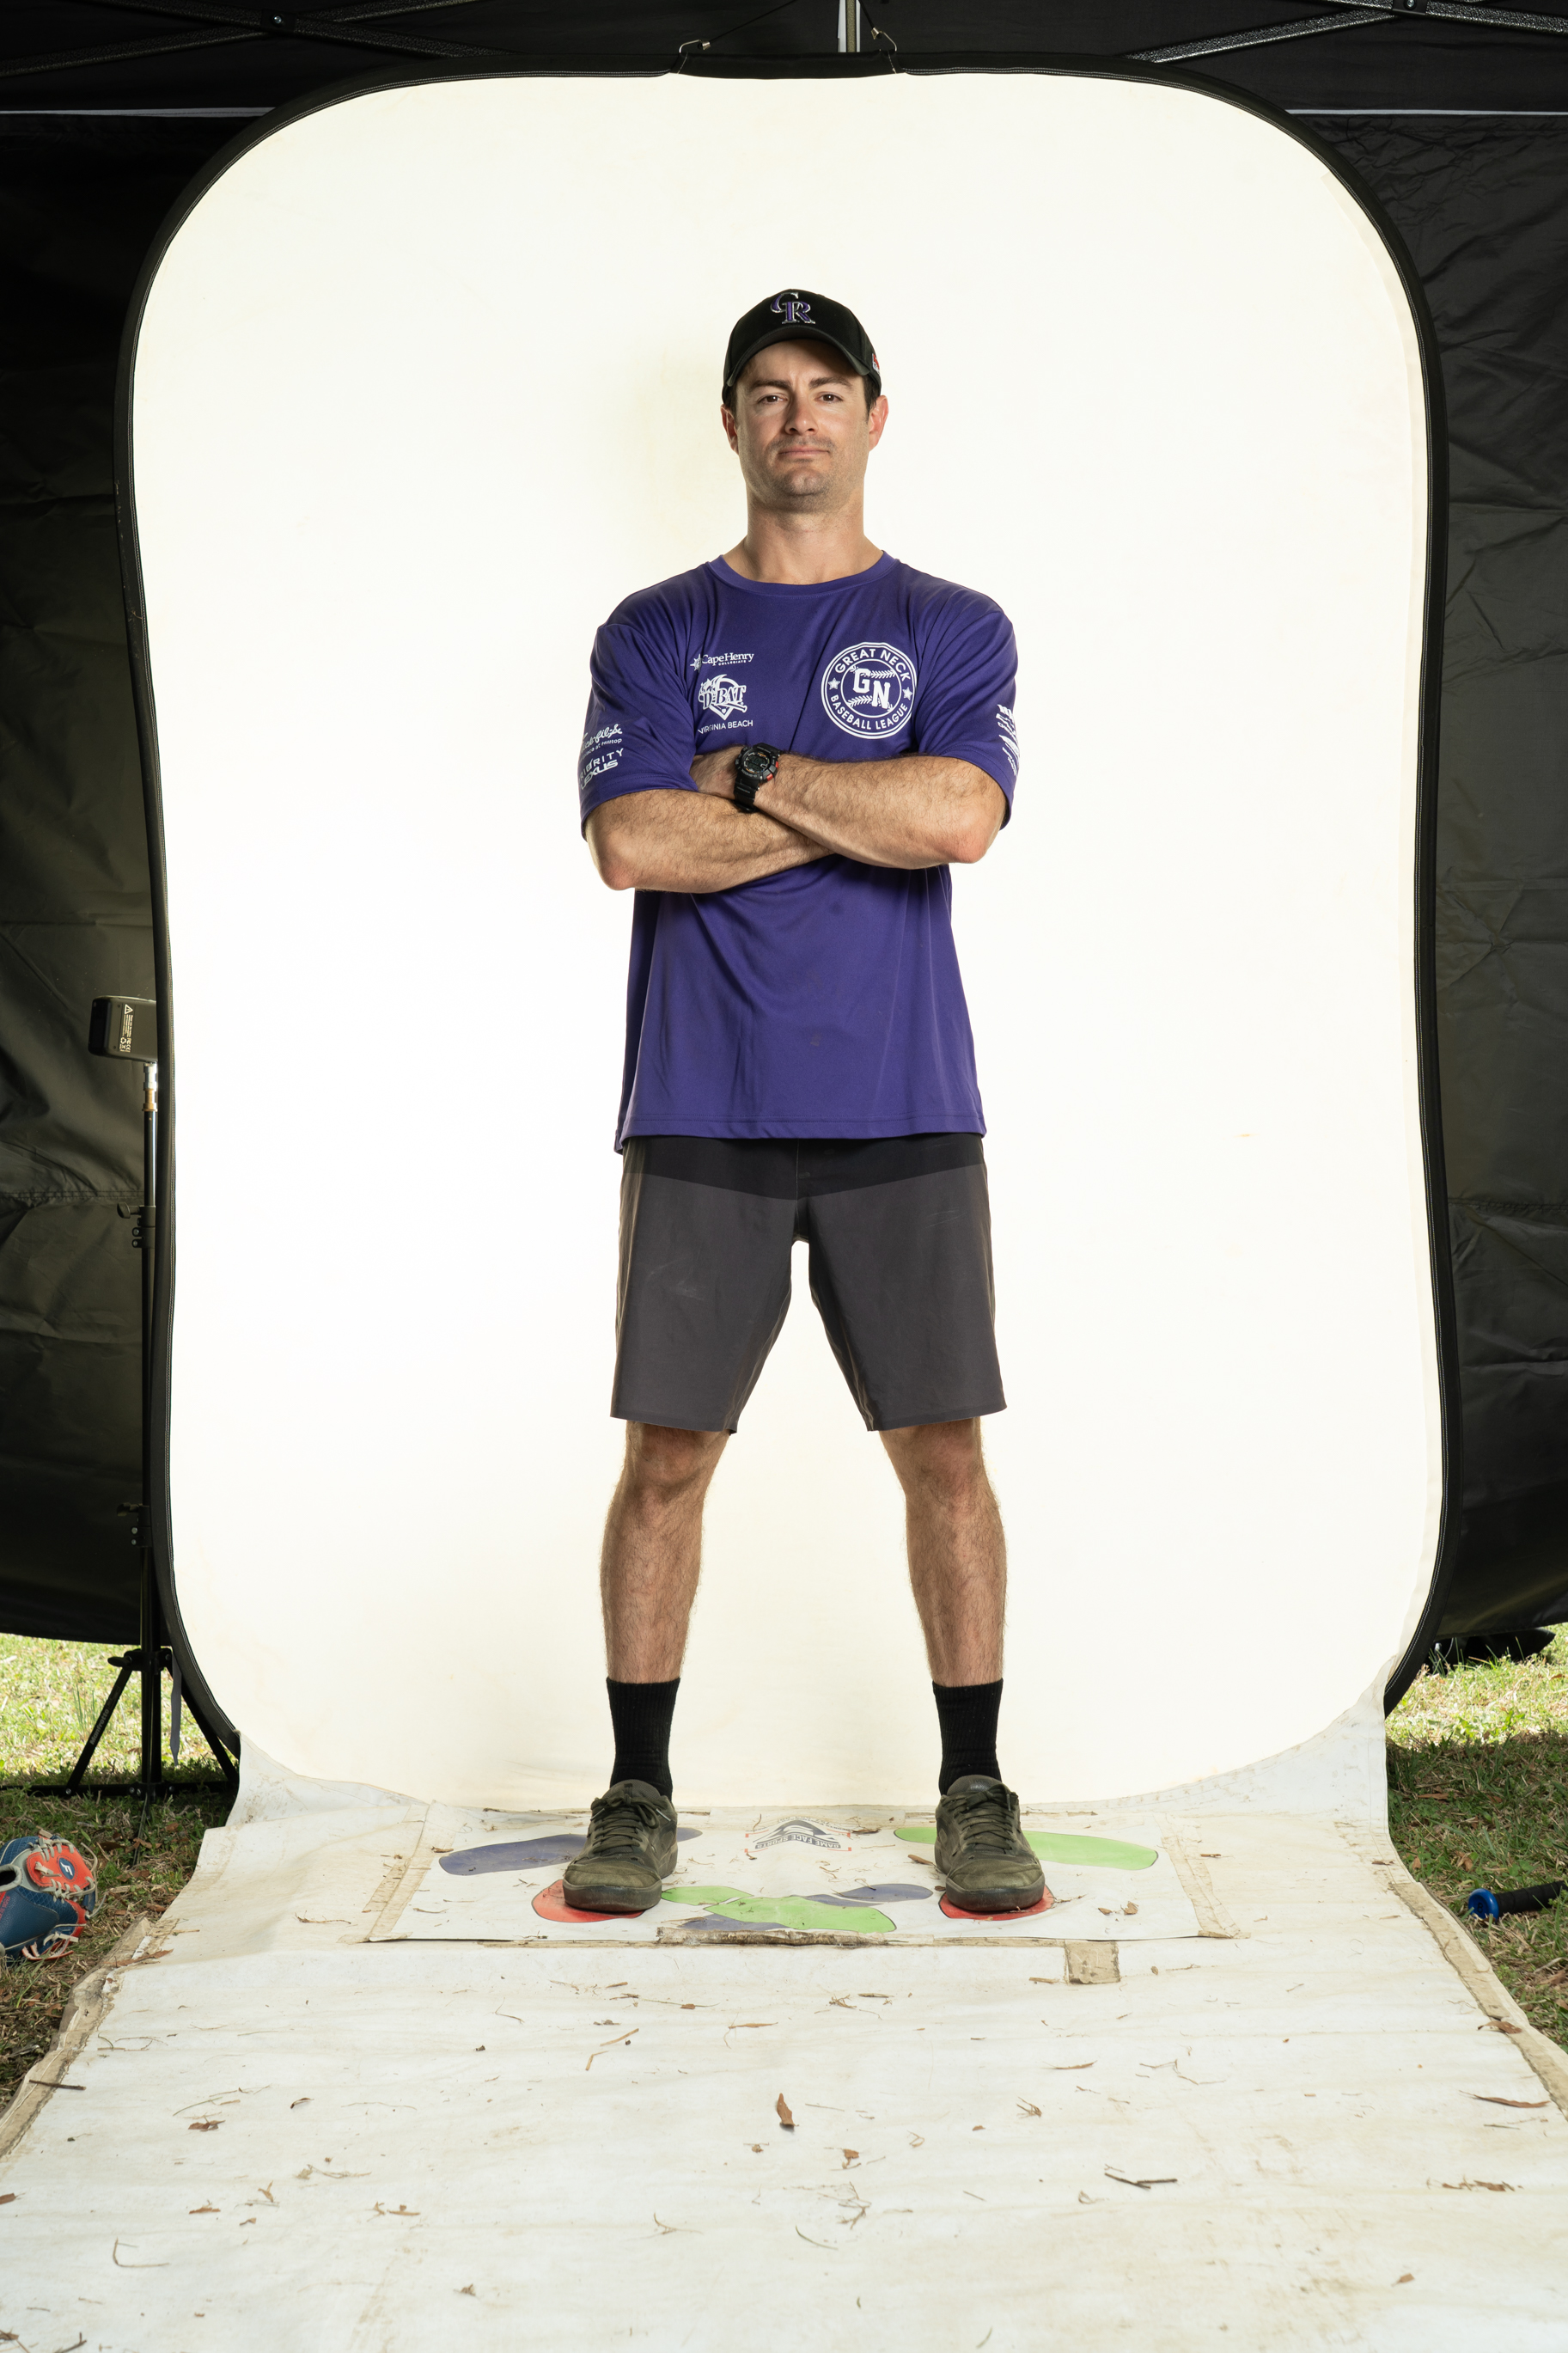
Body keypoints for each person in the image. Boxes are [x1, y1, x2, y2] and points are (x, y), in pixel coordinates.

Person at [566, 289, 1040, 1919]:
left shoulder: (949, 623)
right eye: (766, 392)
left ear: (873, 416)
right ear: (729, 422)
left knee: (942, 1454)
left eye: (826, 390)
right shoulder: (653, 629)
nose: (797, 419)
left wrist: (757, 777)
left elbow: (960, 816)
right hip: (701, 1100)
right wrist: (858, 807)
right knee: (667, 1456)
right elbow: (632, 843)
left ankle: (974, 1785)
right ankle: (636, 1790)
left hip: (903, 1101)